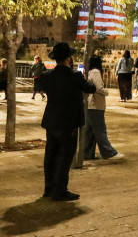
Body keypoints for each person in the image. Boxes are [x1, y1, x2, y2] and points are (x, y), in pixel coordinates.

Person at [39, 42, 96, 201]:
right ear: (69, 59)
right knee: (65, 156)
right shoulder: (75, 76)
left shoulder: (47, 76)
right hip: (68, 122)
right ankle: (60, 190)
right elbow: (90, 88)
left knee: (50, 154)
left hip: (52, 120)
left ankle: (48, 188)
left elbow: (41, 86)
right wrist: (82, 76)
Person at [84, 55, 124, 160]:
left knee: (90, 132)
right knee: (100, 130)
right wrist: (106, 92)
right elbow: (98, 88)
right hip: (96, 105)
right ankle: (108, 152)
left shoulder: (90, 72)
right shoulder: (96, 72)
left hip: (90, 105)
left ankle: (87, 153)